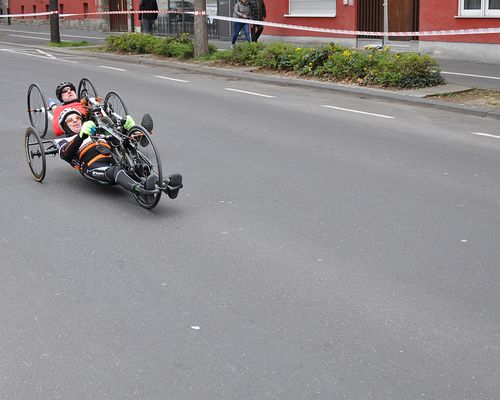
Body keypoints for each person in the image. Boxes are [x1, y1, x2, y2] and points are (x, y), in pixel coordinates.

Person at [55, 108, 182, 200]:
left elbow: (117, 142)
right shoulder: (63, 140)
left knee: (136, 162)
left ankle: (167, 185)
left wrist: (127, 128)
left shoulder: (95, 132)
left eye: (77, 118)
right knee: (117, 171)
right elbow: (66, 155)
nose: (76, 121)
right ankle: (140, 189)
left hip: (113, 160)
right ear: (64, 126)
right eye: (70, 120)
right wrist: (81, 136)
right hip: (93, 168)